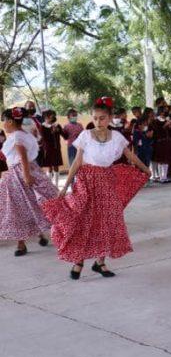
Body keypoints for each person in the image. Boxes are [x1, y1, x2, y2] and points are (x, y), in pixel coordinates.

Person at [42, 99, 151, 280]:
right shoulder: (85, 135)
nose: (98, 121)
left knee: (107, 221)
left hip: (107, 182)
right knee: (84, 220)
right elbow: (77, 162)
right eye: (95, 118)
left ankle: (100, 263)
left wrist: (145, 168)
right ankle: (79, 260)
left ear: (109, 118)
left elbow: (130, 155)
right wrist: (66, 186)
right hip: (87, 182)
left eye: (102, 118)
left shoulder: (117, 137)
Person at [0, 107, 56, 257]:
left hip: (19, 173)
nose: (3, 123)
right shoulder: (25, 134)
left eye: (4, 120)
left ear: (11, 121)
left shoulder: (17, 136)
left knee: (18, 208)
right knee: (30, 204)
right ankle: (39, 235)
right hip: (28, 170)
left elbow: (22, 156)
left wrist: (25, 176)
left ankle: (21, 244)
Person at [38, 109, 64, 185]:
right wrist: (51, 132)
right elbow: (44, 139)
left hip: (56, 149)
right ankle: (50, 185)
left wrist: (58, 130)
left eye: (51, 116)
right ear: (45, 117)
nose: (50, 118)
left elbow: (64, 135)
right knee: (49, 167)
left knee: (56, 167)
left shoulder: (57, 125)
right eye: (48, 116)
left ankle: (56, 185)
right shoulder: (42, 126)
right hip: (48, 150)